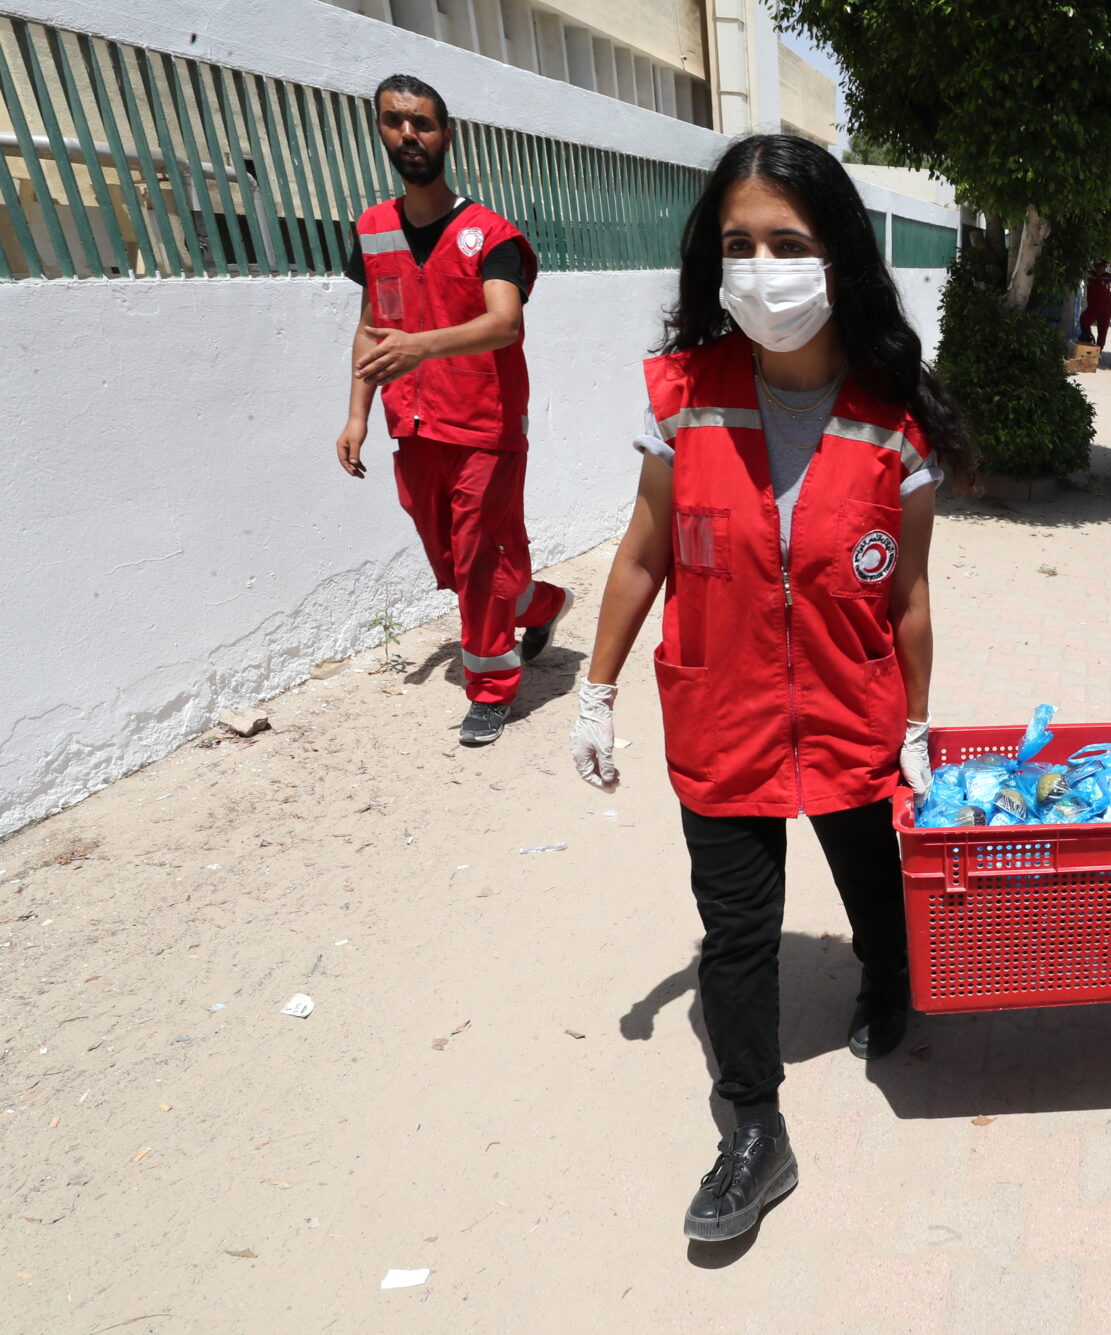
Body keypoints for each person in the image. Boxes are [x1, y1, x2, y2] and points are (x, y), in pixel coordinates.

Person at [567, 134, 971, 1244]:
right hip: (723, 709)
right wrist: (593, 690)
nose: (760, 267)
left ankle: (888, 981)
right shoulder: (685, 395)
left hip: (849, 702)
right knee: (734, 928)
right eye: (737, 244)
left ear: (836, 254)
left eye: (786, 242)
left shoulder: (895, 419)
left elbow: (912, 594)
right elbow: (645, 553)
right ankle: (753, 1128)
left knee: (864, 867)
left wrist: (924, 725)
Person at [335, 73, 571, 747]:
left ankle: (491, 689)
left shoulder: (489, 233)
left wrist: (421, 348)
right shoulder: (373, 230)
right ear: (379, 130)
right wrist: (357, 413)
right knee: (455, 560)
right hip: (413, 424)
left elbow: (503, 323)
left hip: (486, 425)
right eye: (394, 121)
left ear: (446, 135)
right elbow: (371, 327)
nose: (409, 134)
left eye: (423, 123)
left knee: (476, 557)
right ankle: (543, 603)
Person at [1082, 257, 1111, 353]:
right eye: (1098, 266)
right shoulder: (1090, 275)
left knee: (1102, 331)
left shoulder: (1108, 276)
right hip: (1093, 307)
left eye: (1103, 266)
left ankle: (1098, 351)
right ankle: (1088, 339)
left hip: (1105, 308)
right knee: (1084, 320)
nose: (1100, 268)